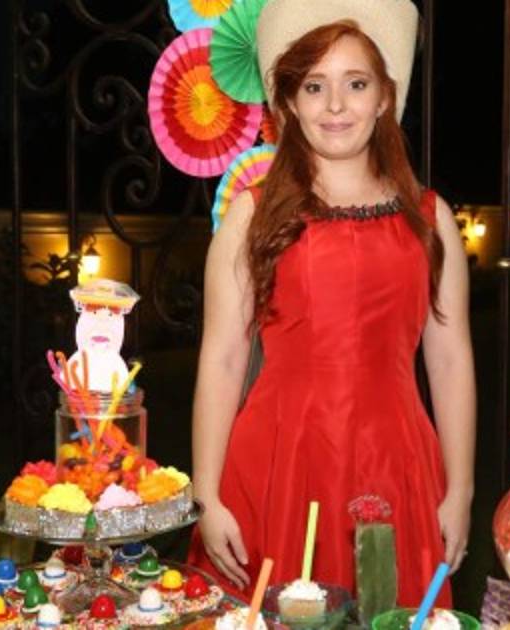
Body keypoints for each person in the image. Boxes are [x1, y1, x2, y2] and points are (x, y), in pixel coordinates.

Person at [187, 0, 475, 607]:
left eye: (356, 84)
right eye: (314, 86)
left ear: (386, 98)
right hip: (277, 465)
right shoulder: (250, 217)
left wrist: (461, 488)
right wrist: (207, 495)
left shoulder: (431, 219)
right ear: (289, 103)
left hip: (396, 464)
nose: (336, 105)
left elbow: (450, 361)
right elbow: (223, 359)